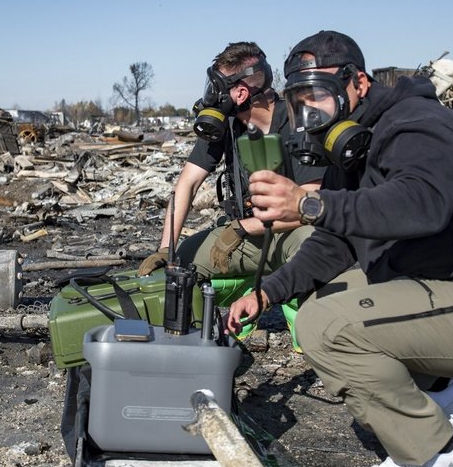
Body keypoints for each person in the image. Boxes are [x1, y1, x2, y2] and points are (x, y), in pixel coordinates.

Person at [226, 30, 453, 467]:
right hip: (443, 300)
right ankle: (440, 390)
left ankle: (436, 452)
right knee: (337, 292)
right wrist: (266, 292)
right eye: (299, 99)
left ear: (359, 83)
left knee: (323, 326)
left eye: (319, 94)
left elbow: (421, 204)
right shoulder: (352, 145)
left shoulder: (420, 122)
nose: (310, 111)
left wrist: (310, 204)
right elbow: (335, 242)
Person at [137, 41, 326, 314]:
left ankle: (313, 323)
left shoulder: (301, 122)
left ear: (239, 92)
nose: (211, 98)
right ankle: (223, 310)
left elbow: (313, 206)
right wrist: (165, 250)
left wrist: (243, 228)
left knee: (312, 243)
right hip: (249, 237)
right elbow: (187, 184)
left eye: (216, 90)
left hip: (292, 231)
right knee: (180, 263)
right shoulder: (227, 125)